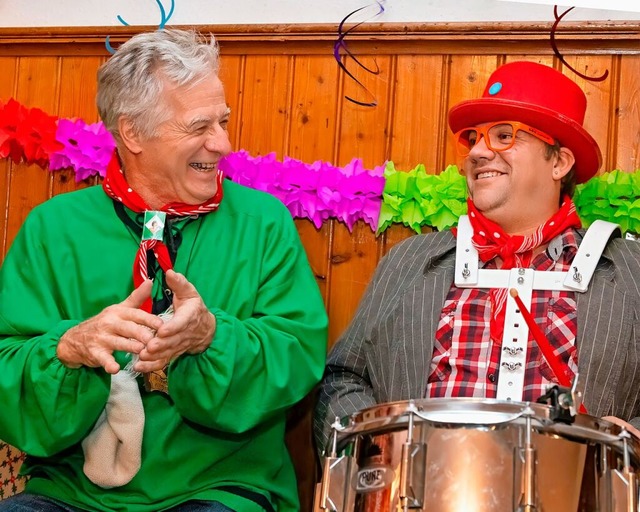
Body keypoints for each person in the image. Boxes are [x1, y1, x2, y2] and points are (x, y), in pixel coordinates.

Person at [0, 29, 327, 512]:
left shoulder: (264, 222)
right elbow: (8, 364)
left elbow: (297, 353)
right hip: (70, 493)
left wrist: (212, 336)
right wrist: (69, 348)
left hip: (219, 485)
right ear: (132, 132)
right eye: (199, 127)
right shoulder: (53, 227)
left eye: (223, 122)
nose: (222, 143)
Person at [314, 61, 640, 452]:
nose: (479, 152)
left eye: (504, 136)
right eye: (475, 139)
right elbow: (342, 378)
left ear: (559, 162)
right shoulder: (410, 262)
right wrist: (373, 448)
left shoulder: (627, 269)